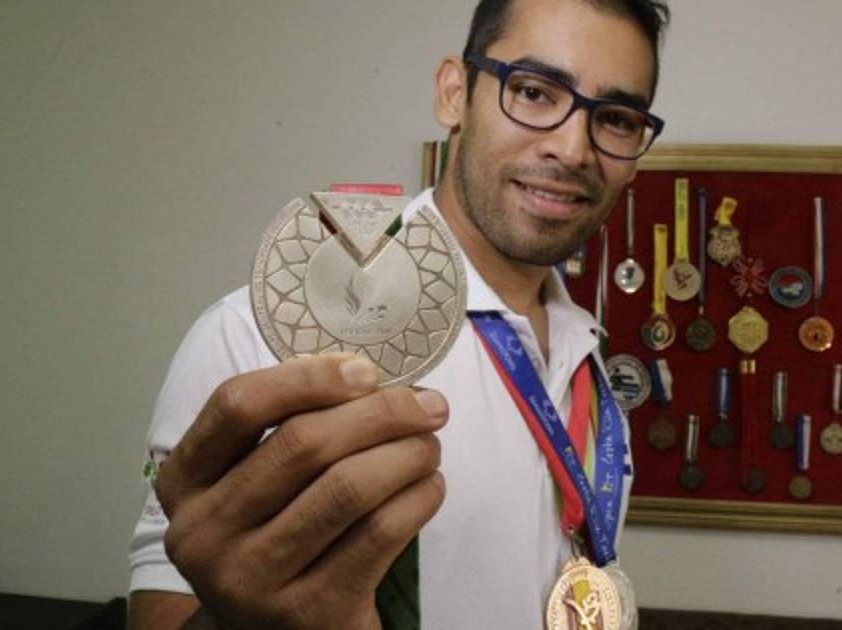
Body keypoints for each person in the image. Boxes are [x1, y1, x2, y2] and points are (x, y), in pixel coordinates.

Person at [128, 0, 670, 627]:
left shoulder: (586, 353)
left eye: (617, 119)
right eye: (533, 91)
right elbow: (163, 609)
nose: (573, 149)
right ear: (453, 93)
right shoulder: (262, 335)